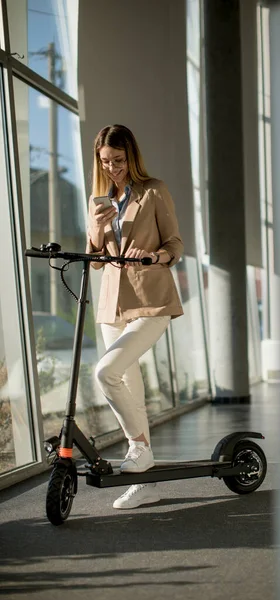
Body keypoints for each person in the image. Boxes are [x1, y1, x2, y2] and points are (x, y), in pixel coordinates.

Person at [86, 124, 183, 509]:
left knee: (104, 373)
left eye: (119, 160)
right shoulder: (98, 200)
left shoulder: (154, 190)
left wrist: (156, 256)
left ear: (132, 157)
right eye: (106, 161)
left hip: (152, 300)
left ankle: (139, 448)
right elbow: (94, 260)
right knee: (130, 386)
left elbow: (174, 242)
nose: (113, 168)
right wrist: (95, 225)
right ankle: (144, 479)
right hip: (113, 305)